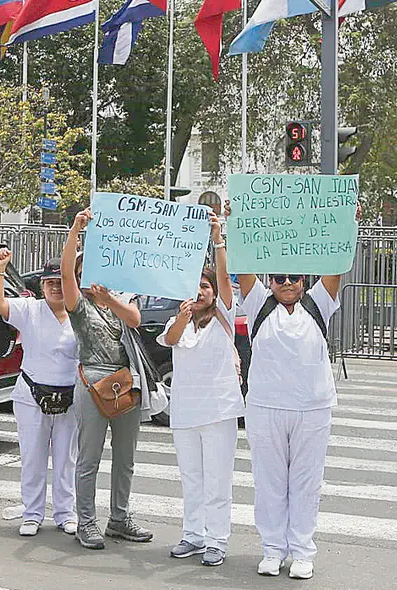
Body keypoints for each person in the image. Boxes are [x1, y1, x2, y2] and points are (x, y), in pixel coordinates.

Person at [228, 201, 356, 580]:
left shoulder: (318, 304)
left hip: (312, 408)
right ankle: (272, 549)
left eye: (294, 278)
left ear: (304, 281)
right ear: (270, 281)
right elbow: (244, 263)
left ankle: (301, 551)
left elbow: (336, 265)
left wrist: (347, 225)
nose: (287, 283)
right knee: (269, 482)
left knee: (305, 482)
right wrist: (237, 223)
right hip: (265, 407)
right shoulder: (258, 305)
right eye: (280, 277)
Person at [62, 208, 152, 550]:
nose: (90, 276)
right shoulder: (78, 305)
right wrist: (76, 230)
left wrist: (109, 298)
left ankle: (119, 518)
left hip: (126, 381)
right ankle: (86, 521)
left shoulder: (119, 299)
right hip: (93, 380)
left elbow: (135, 320)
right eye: (84, 271)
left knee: (125, 457)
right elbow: (65, 271)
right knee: (89, 457)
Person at [158, 212, 244, 567]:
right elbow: (171, 339)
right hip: (185, 413)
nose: (199, 291)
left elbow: (223, 276)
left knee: (217, 481)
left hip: (219, 411)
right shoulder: (177, 321)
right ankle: (193, 535)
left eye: (205, 287)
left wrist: (217, 238)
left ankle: (216, 540)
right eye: (194, 286)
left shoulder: (224, 314)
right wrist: (183, 314)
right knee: (191, 479)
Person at [0, 251, 80, 537]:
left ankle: (65, 513)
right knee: (32, 459)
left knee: (66, 460)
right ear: (41, 285)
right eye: (50, 282)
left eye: (61, 282)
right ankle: (32, 514)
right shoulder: (29, 309)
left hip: (70, 397)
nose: (56, 288)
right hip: (32, 395)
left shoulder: (81, 313)